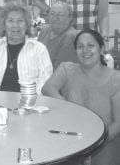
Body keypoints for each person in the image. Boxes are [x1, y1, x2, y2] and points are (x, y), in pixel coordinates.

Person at [42, 29, 120, 165]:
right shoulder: (66, 69)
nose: (85, 50)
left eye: (90, 45)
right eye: (80, 46)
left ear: (101, 49)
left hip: (105, 142)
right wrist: (68, 106)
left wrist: (93, 143)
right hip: (70, 139)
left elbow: (118, 124)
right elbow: (47, 88)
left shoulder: (115, 79)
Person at [0, 3, 53, 94]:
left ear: (27, 24)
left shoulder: (39, 49)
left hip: (27, 103)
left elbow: (46, 80)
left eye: (20, 21)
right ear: (4, 25)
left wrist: (30, 99)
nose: (15, 25)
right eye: (10, 21)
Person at [38, 1, 78, 70]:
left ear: (70, 17)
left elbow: (60, 69)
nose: (55, 18)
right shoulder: (45, 30)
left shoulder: (71, 36)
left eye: (61, 15)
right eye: (52, 14)